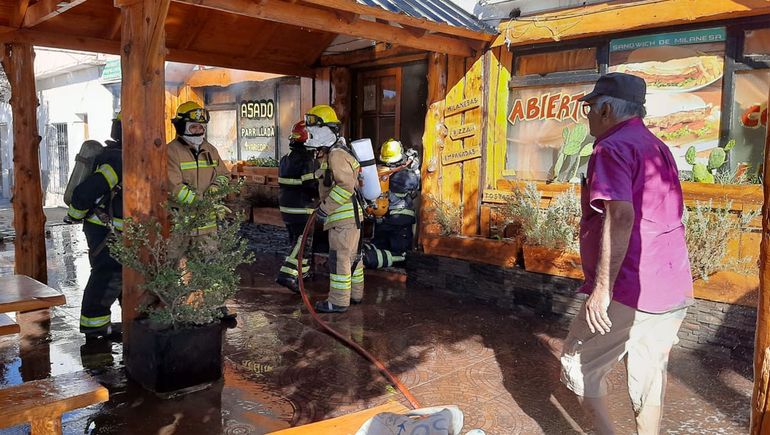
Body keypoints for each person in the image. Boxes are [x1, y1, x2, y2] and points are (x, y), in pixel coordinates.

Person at [559, 73, 693, 435]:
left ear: (605, 108)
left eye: (589, 107)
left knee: (579, 365)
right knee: (650, 376)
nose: (586, 115)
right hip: (672, 284)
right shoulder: (656, 145)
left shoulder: (611, 147)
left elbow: (620, 216)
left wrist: (602, 289)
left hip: (630, 287)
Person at [67, 114, 124, 339]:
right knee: (108, 275)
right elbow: (86, 192)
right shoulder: (118, 160)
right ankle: (94, 325)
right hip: (106, 230)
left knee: (120, 275)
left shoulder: (119, 155)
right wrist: (75, 214)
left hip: (112, 229)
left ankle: (111, 323)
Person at [303, 105, 364, 313]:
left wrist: (325, 209)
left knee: (339, 260)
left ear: (325, 130)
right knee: (353, 258)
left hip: (342, 219)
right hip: (350, 218)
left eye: (313, 128)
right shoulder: (335, 152)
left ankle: (338, 301)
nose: (310, 133)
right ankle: (355, 295)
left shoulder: (336, 155)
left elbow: (345, 185)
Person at [167, 101, 230, 235]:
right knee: (178, 257)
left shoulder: (210, 150)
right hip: (181, 229)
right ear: (181, 127)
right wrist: (203, 203)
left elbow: (224, 175)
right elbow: (174, 187)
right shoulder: (170, 151)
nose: (198, 131)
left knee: (209, 256)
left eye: (201, 127)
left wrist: (216, 188)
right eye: (193, 127)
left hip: (208, 229)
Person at [363, 138, 420, 269]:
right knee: (402, 255)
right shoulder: (403, 176)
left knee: (380, 247)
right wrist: (415, 163)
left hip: (381, 219)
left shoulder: (379, 173)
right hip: (401, 221)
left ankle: (370, 257)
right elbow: (416, 182)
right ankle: (371, 260)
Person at [275, 121, 319, 292]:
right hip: (302, 209)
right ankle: (287, 275)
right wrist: (323, 187)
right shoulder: (307, 159)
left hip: (288, 208)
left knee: (298, 242)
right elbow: (310, 186)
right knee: (302, 244)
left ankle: (302, 275)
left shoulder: (286, 159)